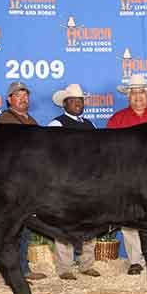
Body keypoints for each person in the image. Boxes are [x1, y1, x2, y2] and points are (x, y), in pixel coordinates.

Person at [107, 74, 147, 275]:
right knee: (130, 215)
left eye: (141, 91)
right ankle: (135, 260)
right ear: (128, 96)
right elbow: (110, 151)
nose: (138, 96)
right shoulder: (118, 119)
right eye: (134, 92)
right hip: (128, 176)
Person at [48, 83, 100, 280]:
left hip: (89, 180)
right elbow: (51, 155)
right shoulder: (56, 124)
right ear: (64, 103)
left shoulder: (90, 124)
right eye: (73, 101)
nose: (77, 104)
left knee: (91, 220)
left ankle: (87, 264)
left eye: (80, 101)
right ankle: (65, 267)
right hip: (66, 181)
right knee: (64, 221)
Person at [0, 82, 46, 281]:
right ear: (9, 99)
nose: (23, 99)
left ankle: (22, 269)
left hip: (29, 184)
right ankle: (9, 271)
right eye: (18, 95)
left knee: (23, 228)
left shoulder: (31, 121)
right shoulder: (4, 121)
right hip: (11, 183)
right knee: (9, 229)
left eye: (25, 95)